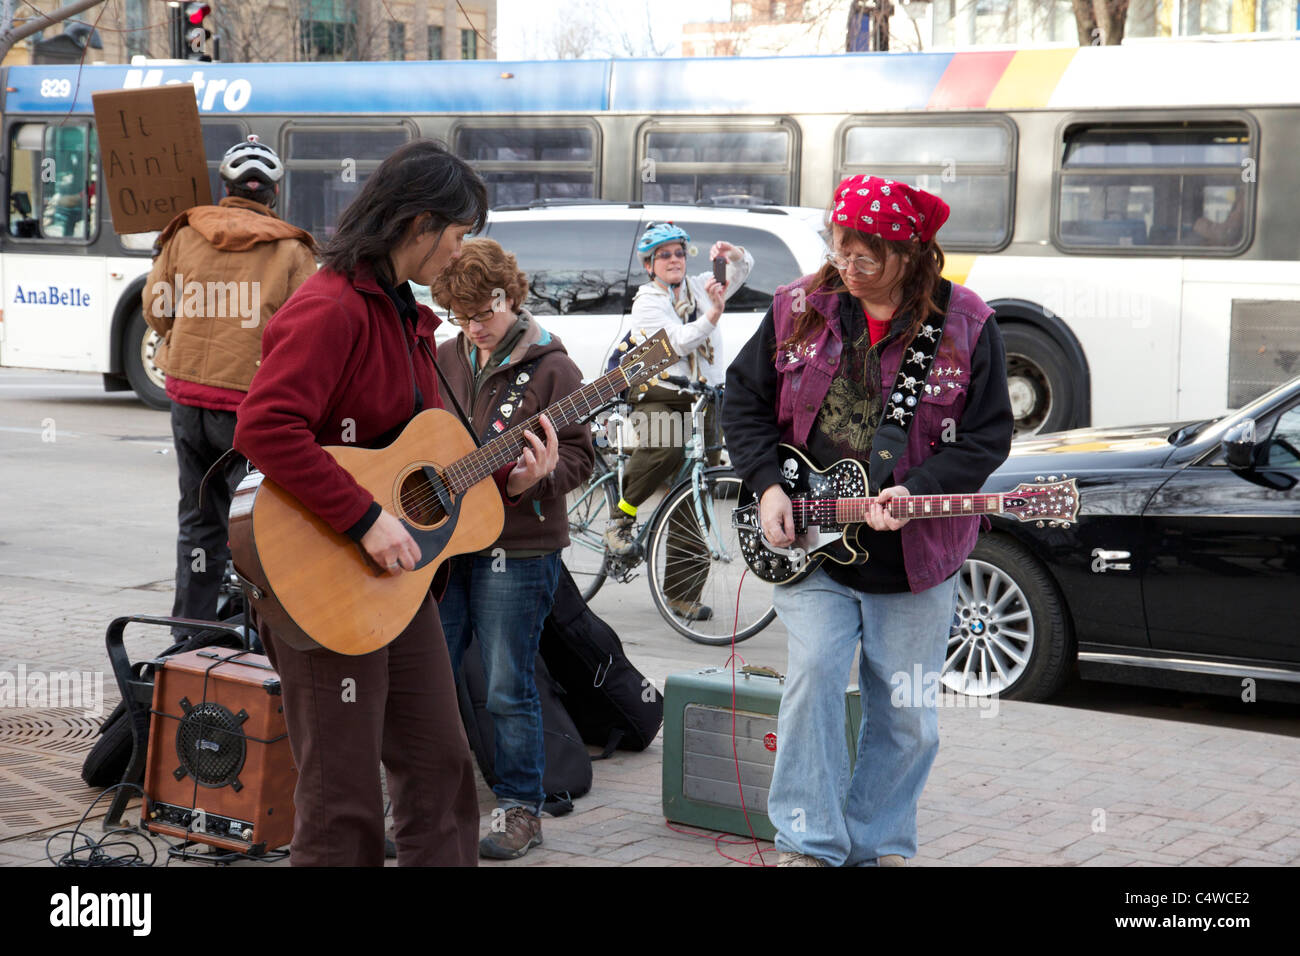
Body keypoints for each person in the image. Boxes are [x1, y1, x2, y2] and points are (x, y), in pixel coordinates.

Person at [232, 140, 560, 866]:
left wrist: (519, 476)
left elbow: (415, 454)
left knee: (441, 769)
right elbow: (264, 425)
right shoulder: (331, 307)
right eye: (458, 232)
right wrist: (365, 518)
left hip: (397, 586)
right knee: (342, 800)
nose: (461, 249)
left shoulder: (401, 314)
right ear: (418, 223)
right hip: (323, 581)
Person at [722, 174, 1013, 867]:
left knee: (907, 719)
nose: (848, 269)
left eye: (865, 257)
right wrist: (765, 485)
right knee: (817, 672)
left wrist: (919, 489)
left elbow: (986, 437)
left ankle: (874, 845)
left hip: (916, 558)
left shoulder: (967, 322)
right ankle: (808, 844)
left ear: (908, 255)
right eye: (840, 250)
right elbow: (743, 399)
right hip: (809, 538)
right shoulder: (800, 306)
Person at [429, 238, 594, 859]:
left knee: (506, 683)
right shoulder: (442, 357)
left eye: (484, 314)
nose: (473, 328)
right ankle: (429, 807)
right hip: (441, 542)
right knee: (429, 678)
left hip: (518, 548)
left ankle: (521, 809)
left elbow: (579, 454)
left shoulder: (556, 368)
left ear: (512, 297)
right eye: (460, 316)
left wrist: (540, 478)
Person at [143, 134, 317, 635]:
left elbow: (157, 310)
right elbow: (306, 333)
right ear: (274, 195)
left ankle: (189, 636)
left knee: (199, 519)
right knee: (257, 526)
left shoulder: (185, 233)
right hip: (248, 410)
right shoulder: (291, 248)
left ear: (225, 188)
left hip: (186, 402)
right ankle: (259, 636)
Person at [602, 222, 753, 622]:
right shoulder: (647, 304)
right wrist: (713, 316)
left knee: (693, 490)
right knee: (665, 447)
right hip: (658, 393)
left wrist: (733, 255)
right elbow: (674, 343)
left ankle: (682, 593)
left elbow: (742, 270)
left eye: (679, 253)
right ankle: (621, 518)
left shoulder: (702, 286)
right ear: (650, 265)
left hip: (705, 398)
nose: (673, 260)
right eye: (664, 255)